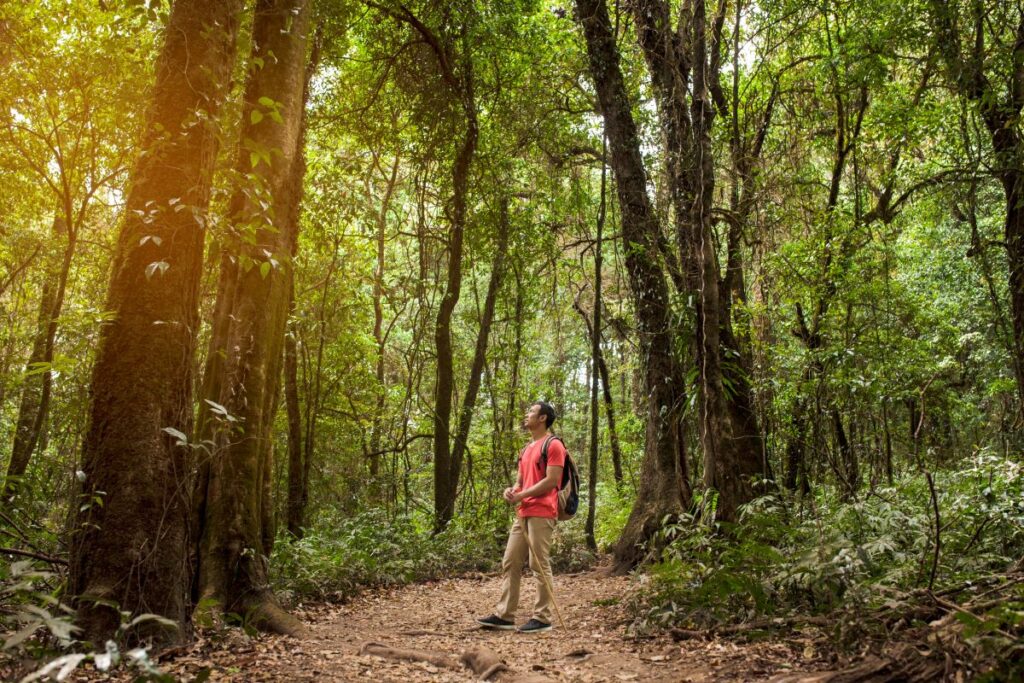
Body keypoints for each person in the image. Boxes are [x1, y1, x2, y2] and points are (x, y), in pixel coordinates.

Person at [477, 401, 565, 633]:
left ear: (543, 418)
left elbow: (552, 480)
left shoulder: (553, 444)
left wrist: (523, 494)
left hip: (542, 511)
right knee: (510, 561)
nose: (527, 416)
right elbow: (520, 479)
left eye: (531, 412)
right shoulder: (526, 449)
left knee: (539, 563)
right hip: (523, 511)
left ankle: (542, 618)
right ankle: (505, 615)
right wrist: (513, 490)